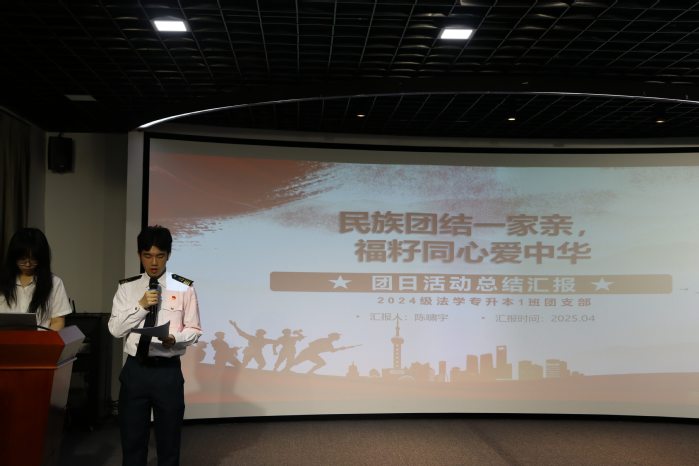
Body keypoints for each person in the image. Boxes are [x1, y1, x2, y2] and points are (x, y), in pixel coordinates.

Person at [108, 225, 202, 466]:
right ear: (139, 255)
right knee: (132, 441)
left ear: (168, 255)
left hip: (167, 372)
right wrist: (140, 306)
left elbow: (194, 330)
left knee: (169, 443)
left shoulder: (184, 287)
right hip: (135, 371)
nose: (153, 262)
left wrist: (175, 338)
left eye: (160, 256)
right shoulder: (127, 288)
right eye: (147, 255)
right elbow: (115, 330)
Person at [0, 227, 71, 330]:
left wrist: (43, 339)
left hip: (41, 339)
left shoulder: (55, 283)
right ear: (13, 256)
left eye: (33, 259)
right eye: (22, 259)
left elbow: (58, 322)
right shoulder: (2, 281)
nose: (28, 264)